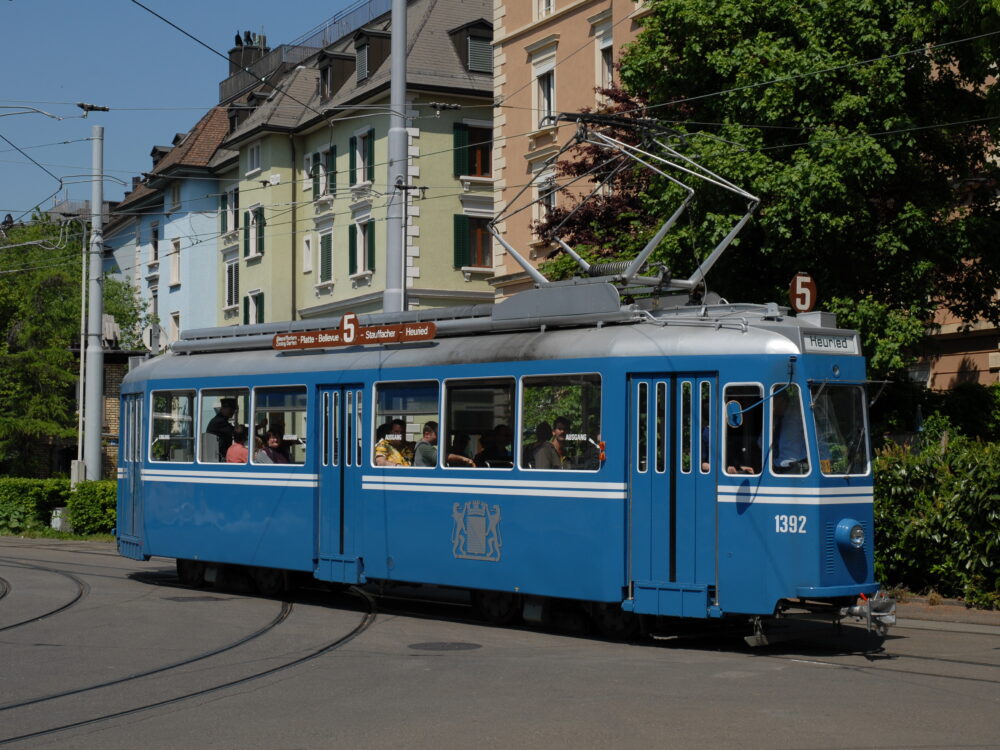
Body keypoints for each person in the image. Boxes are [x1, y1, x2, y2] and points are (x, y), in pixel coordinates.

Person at [773, 387, 808, 474]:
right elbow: (760, 443)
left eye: (773, 401)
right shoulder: (772, 419)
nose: (772, 406)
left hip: (796, 468)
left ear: (781, 401)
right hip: (775, 468)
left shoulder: (799, 417)